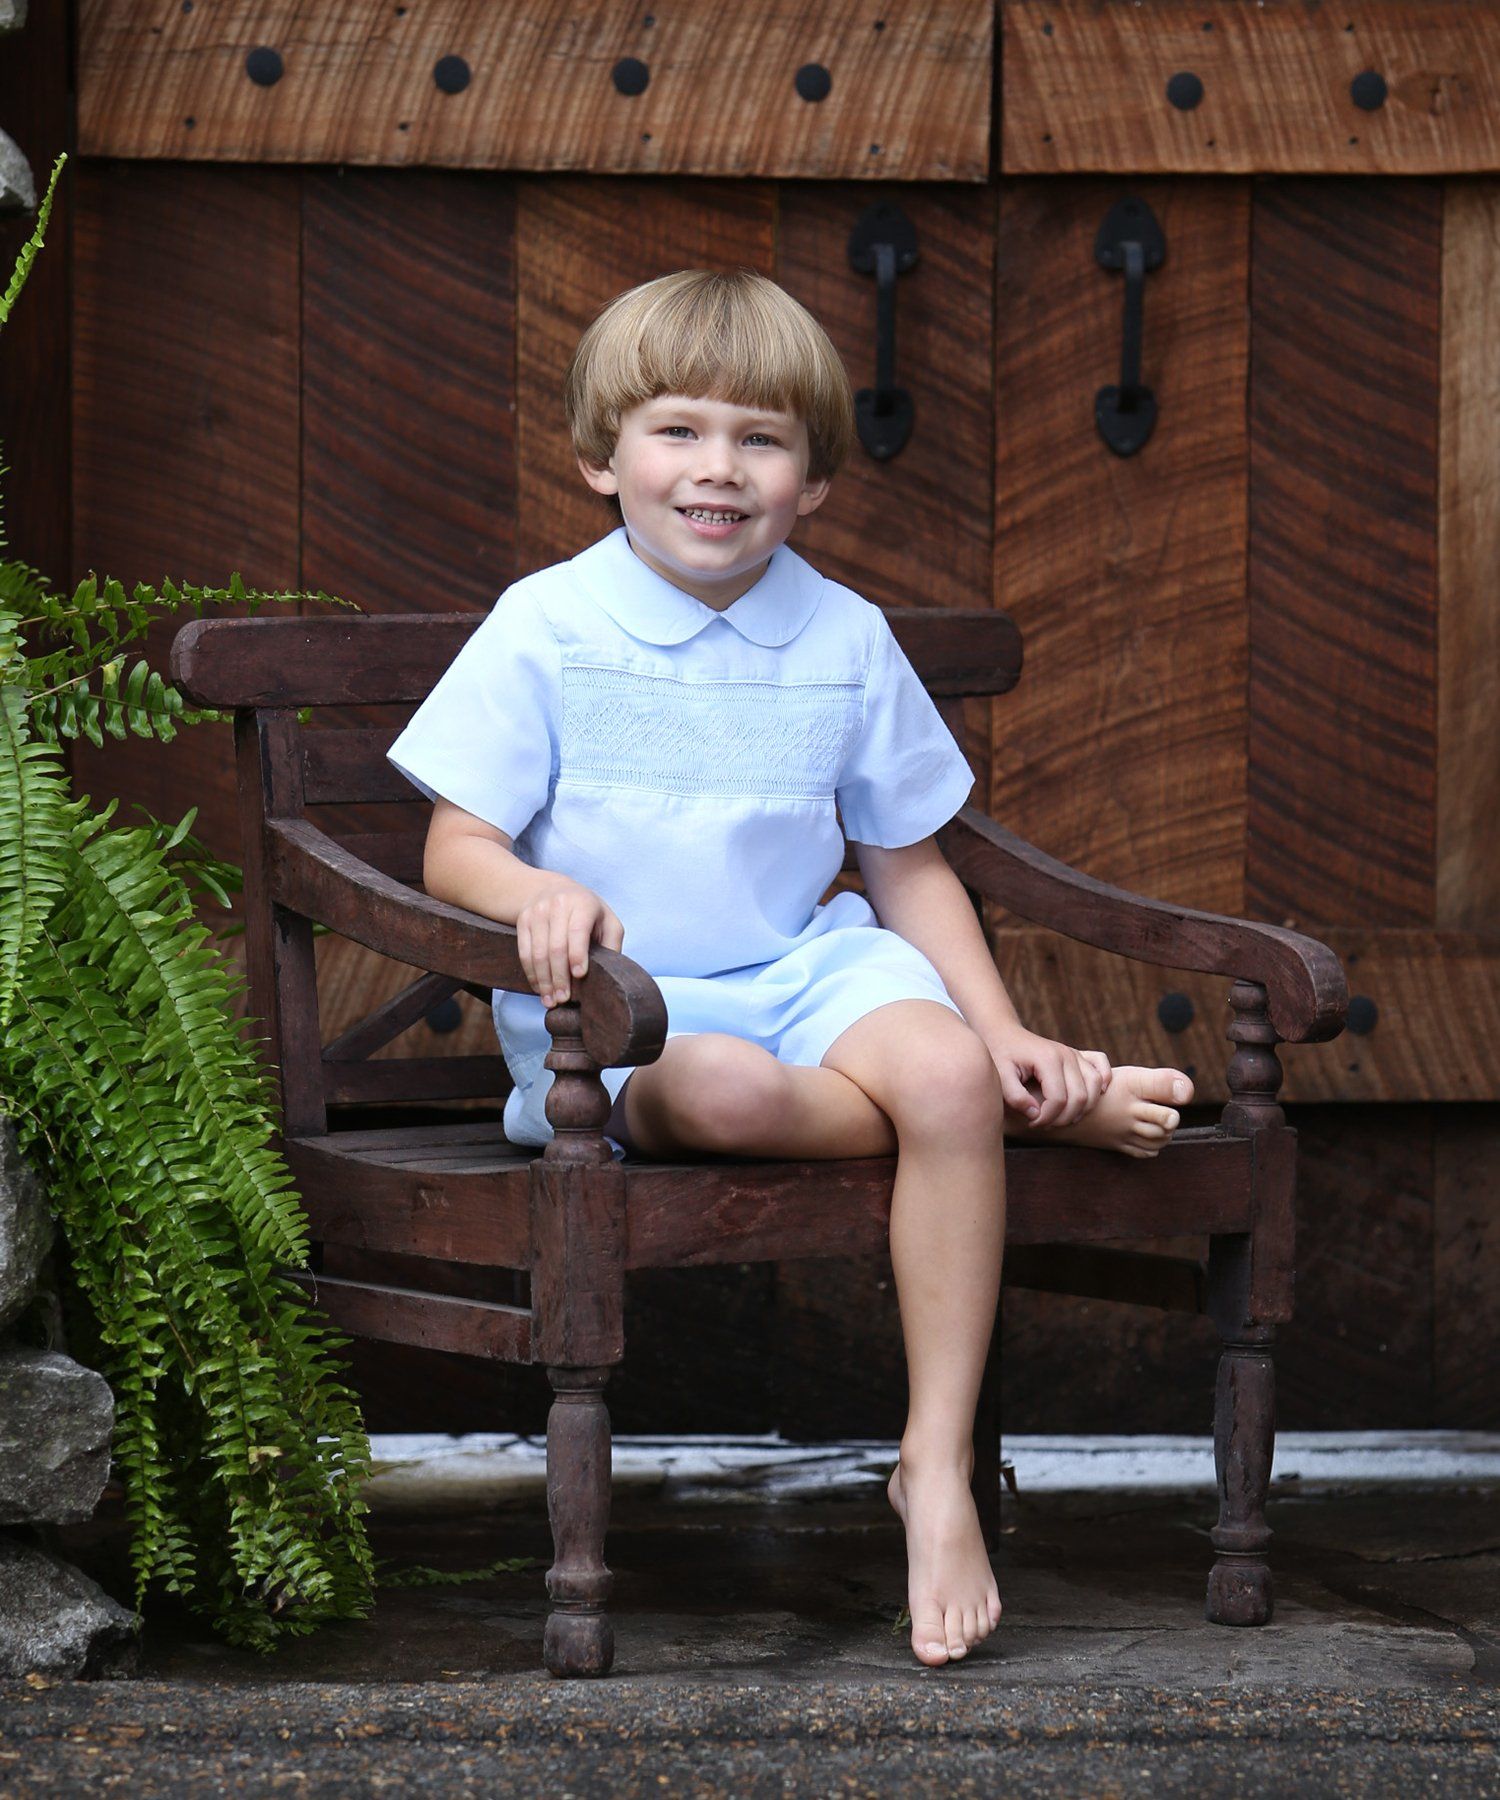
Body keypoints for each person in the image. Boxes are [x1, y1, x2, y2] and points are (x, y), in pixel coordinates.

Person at [387, 269, 1193, 1669]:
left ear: (813, 481)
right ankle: (1020, 1114)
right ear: (601, 459)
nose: (718, 468)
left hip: (805, 968)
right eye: (678, 431)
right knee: (731, 1095)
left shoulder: (842, 635)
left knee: (940, 1059)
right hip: (626, 1022)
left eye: (762, 439)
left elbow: (907, 865)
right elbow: (454, 844)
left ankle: (931, 1465)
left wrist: (992, 1025)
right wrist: (535, 887)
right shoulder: (549, 626)